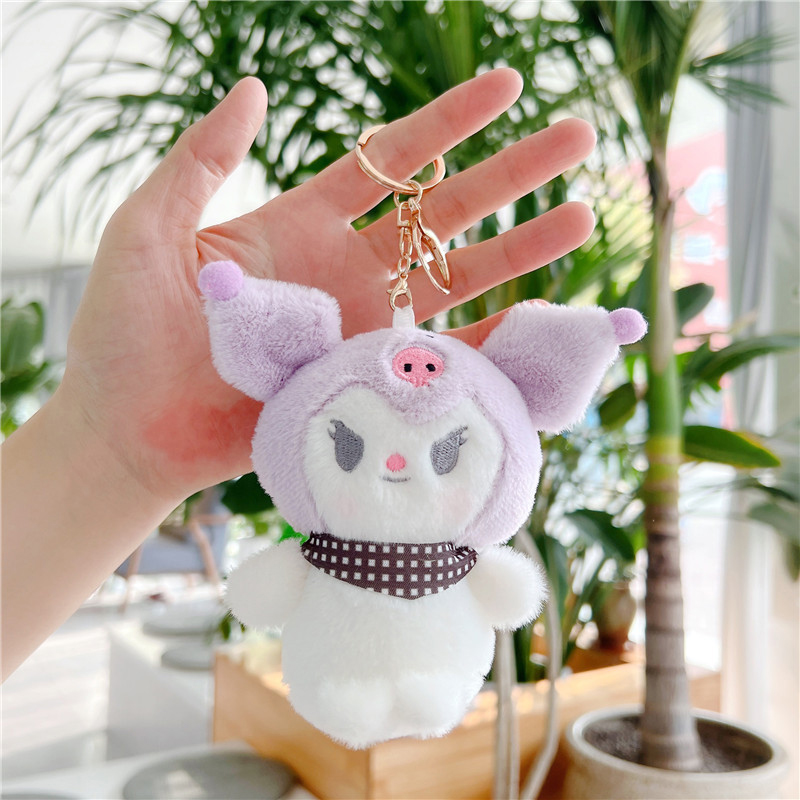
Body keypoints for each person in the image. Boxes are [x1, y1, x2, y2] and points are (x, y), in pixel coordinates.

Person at [1, 69, 596, 679]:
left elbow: (512, 595)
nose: (398, 466)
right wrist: (104, 440)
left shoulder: (463, 542)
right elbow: (262, 592)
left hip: (440, 677)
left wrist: (106, 447)